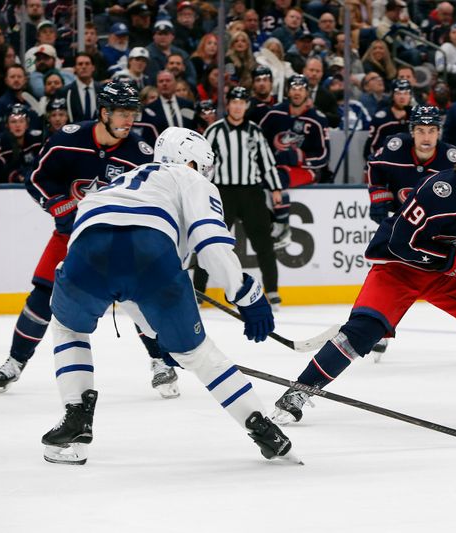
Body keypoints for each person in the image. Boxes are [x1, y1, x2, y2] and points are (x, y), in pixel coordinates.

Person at [271, 129, 456, 424]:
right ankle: (298, 391)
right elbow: (401, 242)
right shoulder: (438, 191)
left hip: (448, 274)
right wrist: (450, 259)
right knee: (362, 331)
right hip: (399, 267)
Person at [40, 127, 298, 466]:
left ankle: (76, 414)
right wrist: (245, 294)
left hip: (87, 253)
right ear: (192, 161)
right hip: (152, 256)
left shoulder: (118, 183)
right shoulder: (190, 179)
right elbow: (210, 244)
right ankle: (263, 429)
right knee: (199, 353)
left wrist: (155, 331)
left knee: (68, 328)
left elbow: (99, 254)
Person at [0, 82, 177, 398]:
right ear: (104, 112)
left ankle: (160, 362)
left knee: (139, 300)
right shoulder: (69, 140)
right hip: (70, 237)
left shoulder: (139, 153)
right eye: (123, 113)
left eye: (133, 113)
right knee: (42, 297)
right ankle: (14, 362)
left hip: (118, 241)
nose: (129, 120)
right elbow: (36, 178)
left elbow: (153, 200)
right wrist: (56, 203)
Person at [366, 105, 456, 359]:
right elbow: (375, 168)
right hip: (403, 233)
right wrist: (379, 197)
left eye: (432, 130)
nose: (426, 137)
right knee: (390, 280)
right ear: (412, 131)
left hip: (441, 234)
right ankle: (381, 330)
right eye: (420, 130)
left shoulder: (454, 159)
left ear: (439, 132)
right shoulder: (394, 149)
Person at [197, 86, 283, 310]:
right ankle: (198, 290)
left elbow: (266, 162)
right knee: (210, 241)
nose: (237, 106)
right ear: (228, 105)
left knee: (264, 243)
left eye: (242, 102)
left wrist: (275, 189)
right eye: (234, 102)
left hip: (251, 192)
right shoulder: (214, 130)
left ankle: (272, 291)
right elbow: (203, 163)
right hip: (223, 193)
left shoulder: (255, 131)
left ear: (246, 105)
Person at [259, 74, 329, 249]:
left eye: (301, 89)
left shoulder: (317, 119)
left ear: (307, 92)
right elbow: (258, 140)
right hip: (274, 167)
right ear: (288, 91)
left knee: (279, 177)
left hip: (306, 170)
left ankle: (283, 228)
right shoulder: (274, 114)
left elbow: (324, 156)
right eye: (294, 88)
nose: (297, 92)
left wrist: (299, 157)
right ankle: (270, 221)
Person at [363, 78, 412, 158]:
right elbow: (370, 148)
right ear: (392, 95)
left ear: (410, 96)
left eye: (406, 93)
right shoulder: (381, 118)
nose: (402, 97)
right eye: (398, 93)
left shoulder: (415, 118)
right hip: (384, 164)